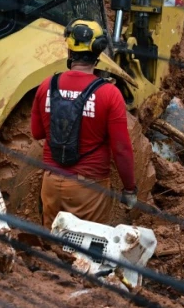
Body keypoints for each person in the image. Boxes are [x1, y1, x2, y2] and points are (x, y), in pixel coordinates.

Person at [31, 19, 137, 227]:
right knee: (88, 244)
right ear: (98, 52)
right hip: (89, 189)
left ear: (70, 50)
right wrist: (129, 188)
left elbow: (37, 133)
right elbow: (121, 149)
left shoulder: (47, 86)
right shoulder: (109, 94)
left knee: (53, 242)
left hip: (51, 183)